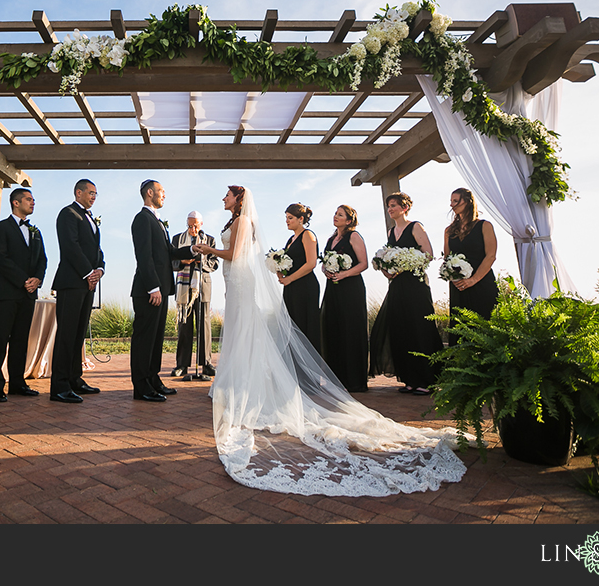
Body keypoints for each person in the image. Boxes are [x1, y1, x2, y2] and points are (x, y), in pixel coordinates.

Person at [194, 186, 466, 497]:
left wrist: (209, 251)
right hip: (281, 283)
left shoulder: (323, 235)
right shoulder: (312, 238)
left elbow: (303, 262)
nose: (286, 220)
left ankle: (341, 379)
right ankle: (242, 379)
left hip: (317, 286)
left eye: (289, 216)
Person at [129, 180, 198, 402]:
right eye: (161, 192)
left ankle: (153, 378)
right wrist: (153, 287)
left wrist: (191, 249)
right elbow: (144, 256)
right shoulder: (142, 219)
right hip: (149, 291)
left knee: (156, 338)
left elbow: (167, 251)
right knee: (144, 339)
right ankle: (141, 387)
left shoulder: (157, 221)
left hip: (161, 290)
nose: (164, 195)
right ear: (150, 193)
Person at [368, 193, 443, 395]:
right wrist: (385, 269)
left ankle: (427, 379)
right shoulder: (392, 232)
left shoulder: (416, 227)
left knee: (419, 327)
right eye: (388, 206)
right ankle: (410, 378)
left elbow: (428, 254)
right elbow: (390, 258)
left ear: (405, 207)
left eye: (393, 205)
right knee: (402, 328)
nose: (390, 209)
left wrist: (404, 266)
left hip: (415, 284)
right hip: (397, 286)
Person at [0, 188, 47, 403]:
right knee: (0, 339)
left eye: (33, 199)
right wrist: (23, 280)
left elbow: (43, 260)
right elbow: (0, 259)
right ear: (15, 203)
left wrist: (37, 279)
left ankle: (18, 383)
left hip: (28, 294)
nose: (33, 203)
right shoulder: (0, 229)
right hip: (6, 293)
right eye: (29, 199)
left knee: (21, 340)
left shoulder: (35, 231)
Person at [50, 179, 104, 404]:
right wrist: (88, 273)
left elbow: (97, 249)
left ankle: (74, 379)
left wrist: (100, 269)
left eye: (95, 194)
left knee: (78, 334)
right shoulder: (68, 214)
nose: (93, 197)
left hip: (87, 284)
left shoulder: (91, 218)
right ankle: (59, 386)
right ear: (78, 192)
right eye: (90, 193)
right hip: (72, 282)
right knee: (67, 334)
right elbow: (70, 246)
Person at [319, 205, 370, 392]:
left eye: (340, 215)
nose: (335, 216)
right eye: (335, 213)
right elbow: (324, 263)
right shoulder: (331, 239)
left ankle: (354, 381)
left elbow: (364, 264)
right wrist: (326, 270)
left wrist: (344, 274)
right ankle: (336, 379)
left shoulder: (354, 236)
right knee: (333, 328)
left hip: (350, 289)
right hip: (333, 288)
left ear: (349, 221)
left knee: (351, 330)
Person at [444, 188, 498, 346]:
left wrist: (473, 280)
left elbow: (491, 256)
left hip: (482, 283)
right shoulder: (448, 231)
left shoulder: (484, 226)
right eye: (451, 201)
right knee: (460, 328)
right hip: (458, 286)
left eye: (456, 201)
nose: (451, 204)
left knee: (485, 328)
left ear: (467, 202)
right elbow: (447, 258)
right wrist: (452, 277)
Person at [171, 211, 218, 378]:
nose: (192, 229)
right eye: (189, 225)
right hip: (183, 287)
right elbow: (171, 260)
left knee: (204, 324)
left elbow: (215, 263)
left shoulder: (210, 240)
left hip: (202, 285)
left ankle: (206, 364)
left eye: (195, 226)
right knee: (184, 324)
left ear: (201, 224)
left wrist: (202, 262)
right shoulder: (177, 239)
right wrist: (182, 262)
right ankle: (182, 365)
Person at [277, 202, 321, 353]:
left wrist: (290, 279)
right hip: (291, 287)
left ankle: (308, 371)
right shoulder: (290, 240)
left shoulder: (308, 235)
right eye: (286, 218)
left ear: (301, 219)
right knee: (291, 326)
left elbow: (311, 263)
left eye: (290, 218)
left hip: (305, 286)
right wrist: (278, 270)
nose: (287, 221)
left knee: (304, 325)